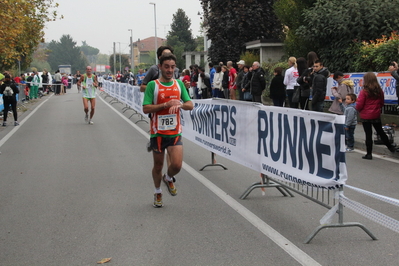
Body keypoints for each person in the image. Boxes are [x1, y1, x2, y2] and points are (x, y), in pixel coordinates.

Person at [142, 53, 193, 208]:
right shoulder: (153, 85)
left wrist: (180, 105)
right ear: (160, 67)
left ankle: (169, 178)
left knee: (177, 165)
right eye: (166, 67)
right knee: (158, 166)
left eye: (172, 67)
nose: (170, 70)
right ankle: (157, 191)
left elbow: (190, 104)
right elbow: (146, 108)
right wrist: (164, 105)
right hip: (158, 133)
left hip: (175, 132)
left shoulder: (179, 84)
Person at [355, 72, 396, 159]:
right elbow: (381, 102)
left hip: (365, 115)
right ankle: (390, 147)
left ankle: (369, 154)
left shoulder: (364, 92)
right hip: (376, 114)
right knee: (380, 131)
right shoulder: (379, 91)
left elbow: (360, 104)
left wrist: (358, 110)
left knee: (368, 134)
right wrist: (377, 109)